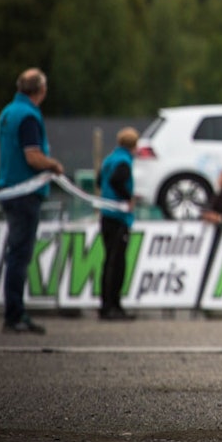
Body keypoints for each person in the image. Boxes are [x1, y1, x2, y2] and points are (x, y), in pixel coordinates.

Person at [0, 67, 64, 334]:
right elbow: (33, 156)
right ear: (41, 90)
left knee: (16, 252)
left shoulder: (8, 112)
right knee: (20, 254)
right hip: (24, 192)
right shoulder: (28, 115)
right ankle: (14, 314)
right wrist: (53, 165)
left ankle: (14, 311)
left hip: (9, 188)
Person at [97, 127, 138, 321]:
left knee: (108, 261)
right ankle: (113, 306)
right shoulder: (124, 161)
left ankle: (105, 304)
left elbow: (100, 181)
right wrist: (128, 198)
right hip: (118, 216)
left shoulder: (109, 159)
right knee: (117, 262)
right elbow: (117, 180)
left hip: (105, 214)